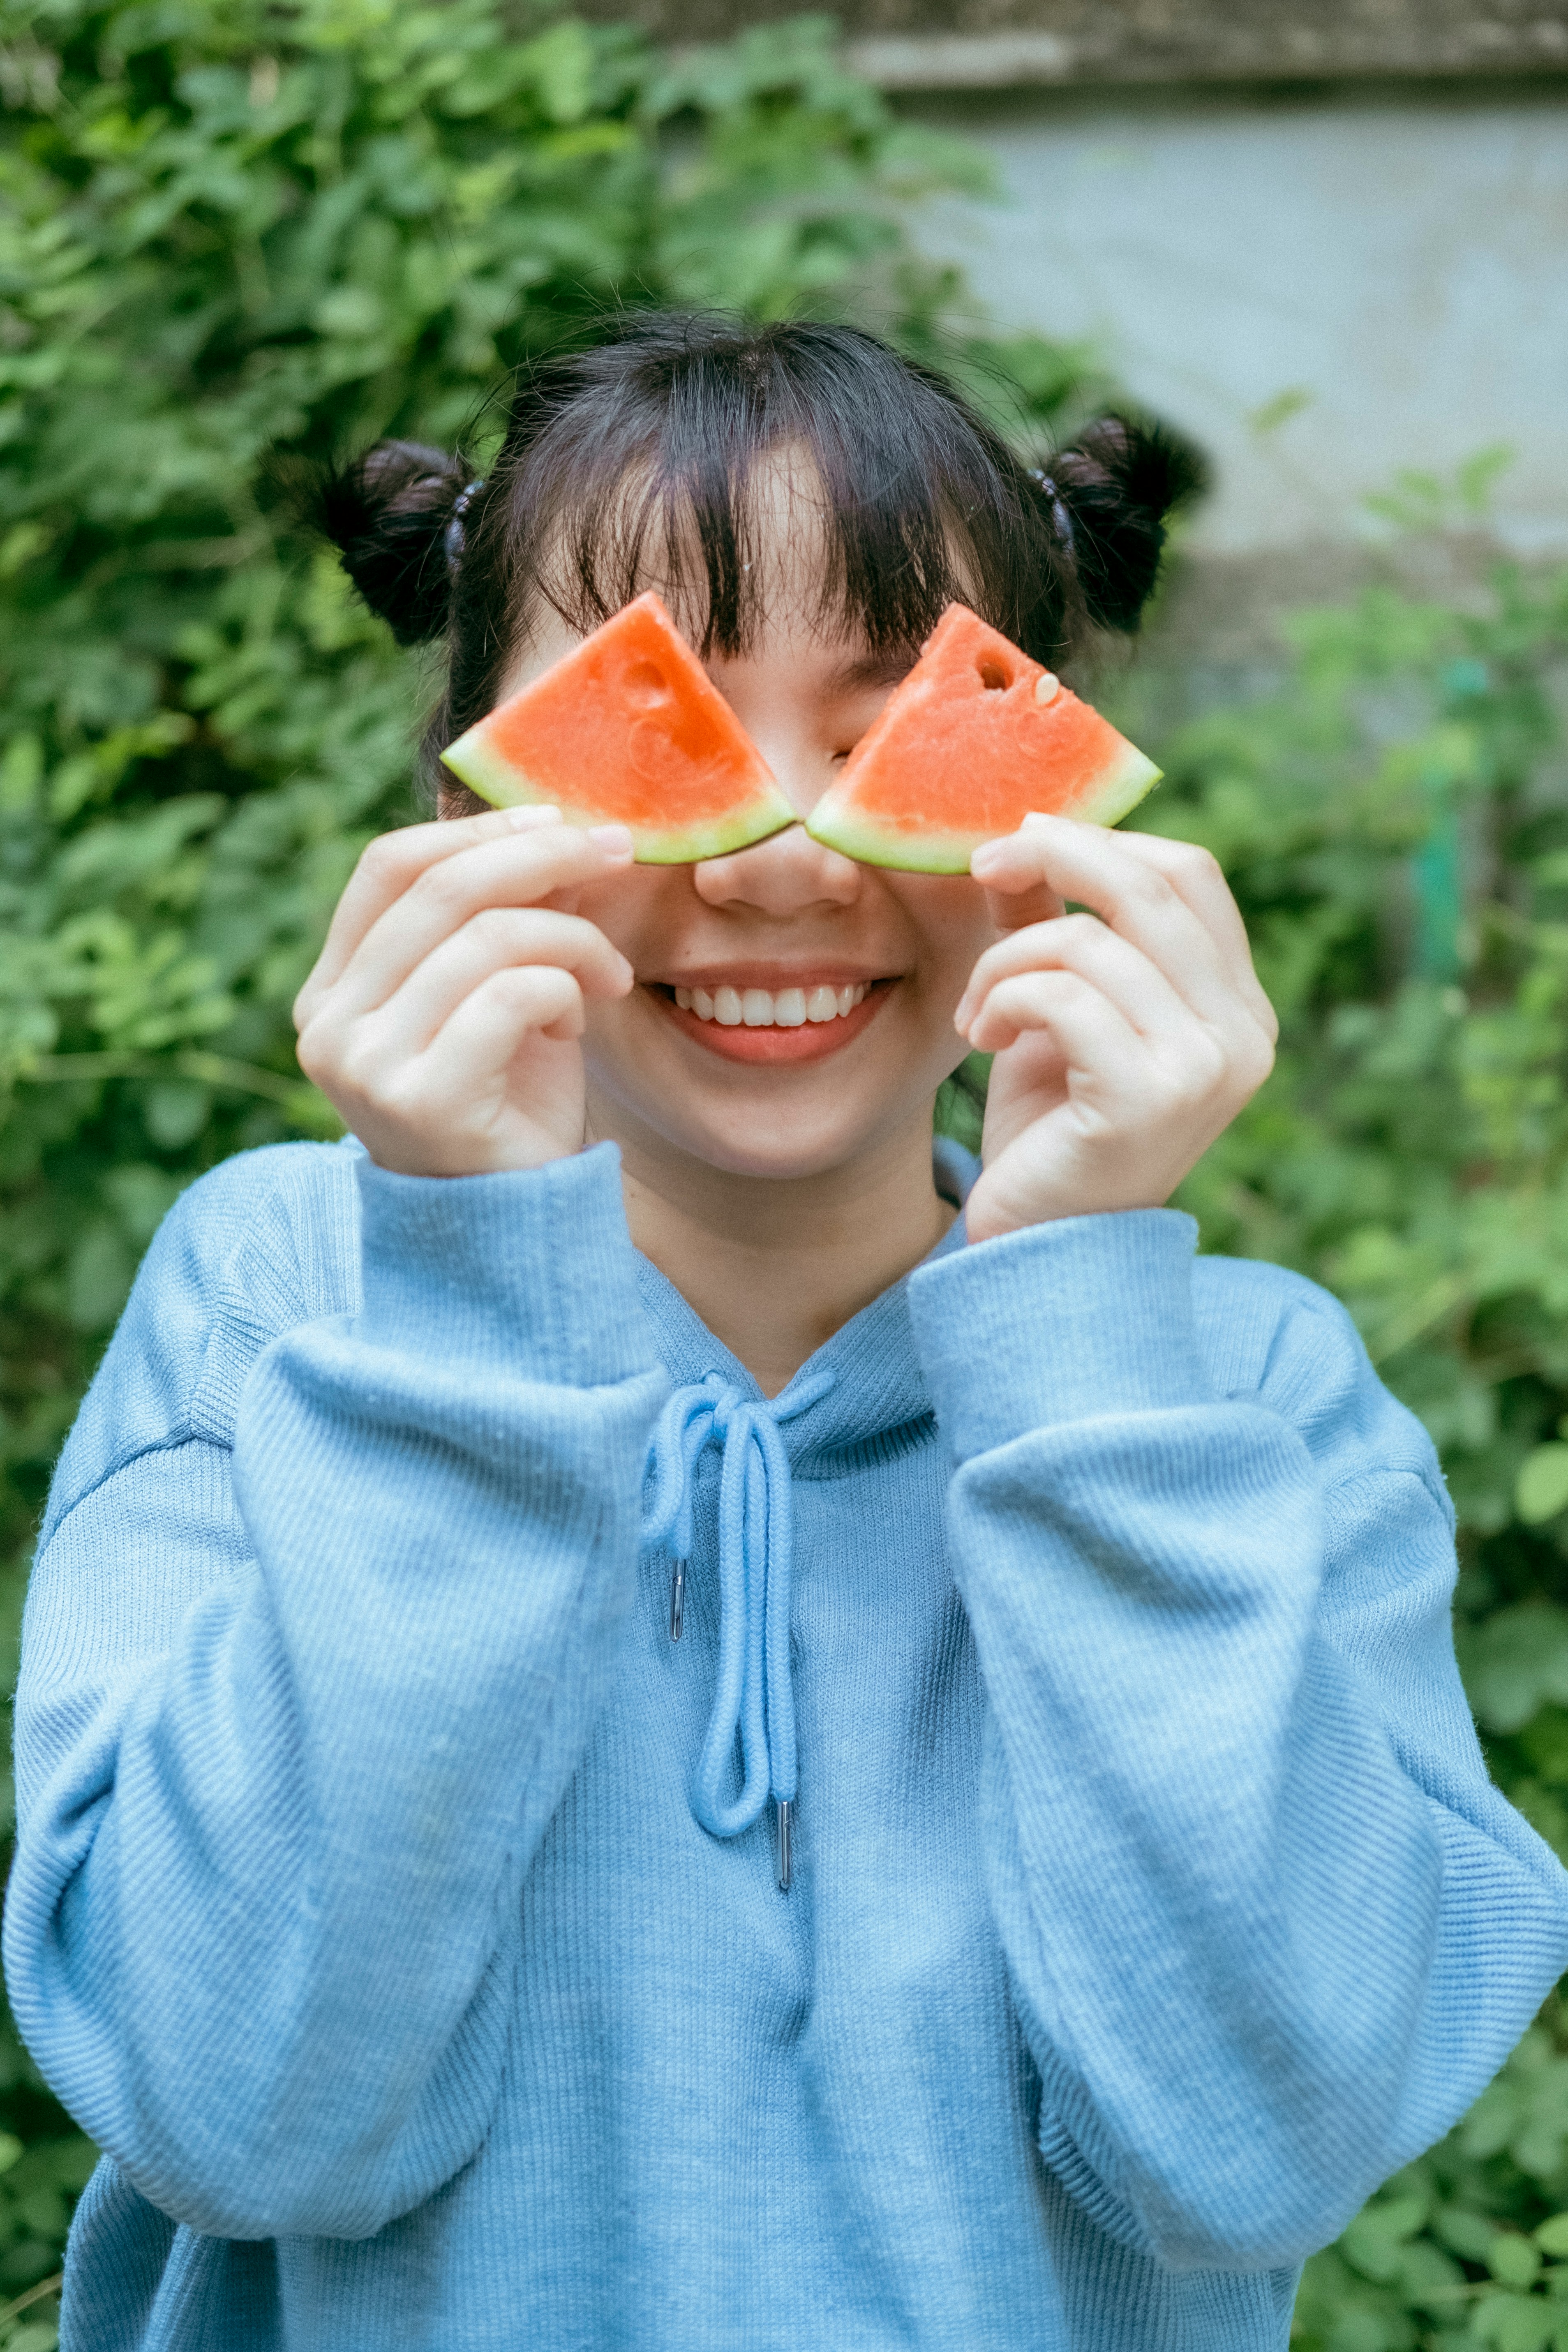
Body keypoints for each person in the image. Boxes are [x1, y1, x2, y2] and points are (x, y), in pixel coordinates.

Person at [7, 313, 1566, 2352]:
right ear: (464, 798)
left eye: (903, 731)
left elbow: (1253, 2153)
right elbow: (243, 2114)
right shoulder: (292, 1305)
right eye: (657, 733)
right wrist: (470, 1299)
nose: (788, 860)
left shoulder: (1241, 1402)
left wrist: (1083, 1331)